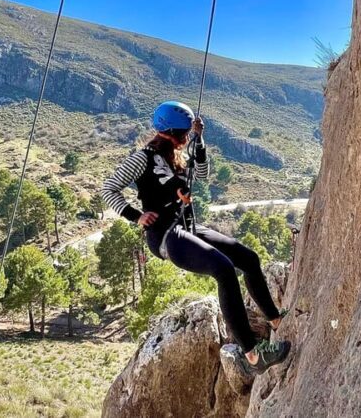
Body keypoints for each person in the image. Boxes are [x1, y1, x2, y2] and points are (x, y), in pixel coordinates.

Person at [101, 100, 291, 374]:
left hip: (186, 227)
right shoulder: (141, 158)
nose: (187, 137)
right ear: (172, 133)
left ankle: (275, 320)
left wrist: (200, 140)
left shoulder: (175, 156)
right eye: (185, 134)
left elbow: (202, 174)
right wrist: (136, 216)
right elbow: (109, 188)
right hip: (166, 235)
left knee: (248, 258)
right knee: (224, 269)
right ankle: (252, 354)